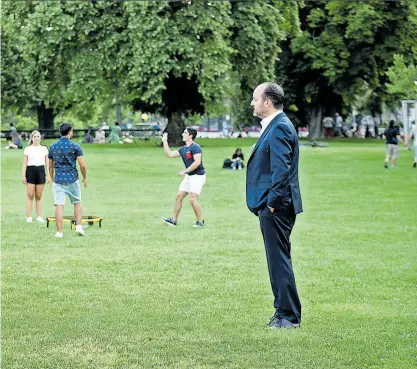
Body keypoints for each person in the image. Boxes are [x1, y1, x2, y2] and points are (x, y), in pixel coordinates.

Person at [247, 82, 303, 329]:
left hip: (277, 207)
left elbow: (281, 171)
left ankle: (287, 316)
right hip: (276, 205)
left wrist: (271, 205)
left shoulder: (279, 127)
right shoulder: (276, 125)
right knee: (278, 260)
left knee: (278, 260)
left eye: (255, 98)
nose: (252, 102)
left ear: (267, 102)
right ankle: (284, 312)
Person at [48, 123, 87, 238]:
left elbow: (50, 165)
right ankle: (79, 226)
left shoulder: (53, 146)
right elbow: (82, 165)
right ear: (70, 132)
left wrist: (51, 177)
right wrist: (85, 178)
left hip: (58, 179)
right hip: (72, 179)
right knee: (77, 202)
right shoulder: (75, 146)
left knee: (59, 205)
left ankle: (59, 232)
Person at [161, 128, 206, 227]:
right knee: (179, 197)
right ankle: (174, 220)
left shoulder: (196, 147)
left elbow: (197, 162)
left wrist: (185, 171)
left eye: (185, 133)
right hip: (189, 176)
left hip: (198, 176)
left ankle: (200, 222)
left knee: (192, 198)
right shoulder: (183, 149)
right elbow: (170, 154)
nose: (182, 134)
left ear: (190, 136)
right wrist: (165, 141)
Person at [21, 130, 51, 223]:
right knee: (30, 195)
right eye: (35, 136)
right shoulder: (27, 149)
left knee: (38, 196)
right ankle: (29, 216)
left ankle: (39, 216)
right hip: (30, 171)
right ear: (32, 138)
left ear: (40, 138)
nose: (37, 138)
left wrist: (48, 175)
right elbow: (25, 163)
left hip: (41, 171)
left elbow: (47, 164)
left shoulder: (44, 149)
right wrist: (23, 175)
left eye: (38, 136)